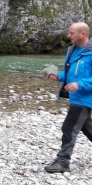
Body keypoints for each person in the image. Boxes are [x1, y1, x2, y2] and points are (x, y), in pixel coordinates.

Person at [44, 22, 92, 173]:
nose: (68, 36)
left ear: (82, 34)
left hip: (85, 98)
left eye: (71, 33)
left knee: (69, 127)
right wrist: (57, 76)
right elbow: (70, 74)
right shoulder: (72, 50)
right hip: (75, 97)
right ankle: (63, 161)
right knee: (86, 127)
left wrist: (79, 84)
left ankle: (63, 161)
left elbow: (80, 80)